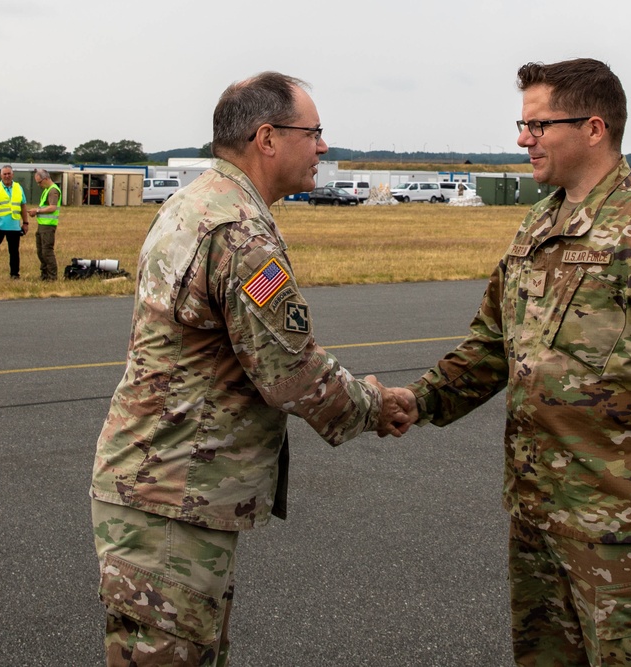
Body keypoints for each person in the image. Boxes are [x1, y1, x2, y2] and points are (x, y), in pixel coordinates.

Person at [392, 58, 631, 666]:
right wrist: (418, 400)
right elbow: (492, 346)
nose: (524, 139)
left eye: (539, 125)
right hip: (540, 516)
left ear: (594, 128)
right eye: (522, 125)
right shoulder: (540, 224)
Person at [90, 71, 409, 667]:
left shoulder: (197, 202)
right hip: (173, 500)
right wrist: (375, 405)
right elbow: (292, 372)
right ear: (267, 137)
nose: (323, 147)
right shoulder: (239, 234)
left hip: (161, 489)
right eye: (313, 132)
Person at [0, 165, 29, 279]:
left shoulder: (18, 188)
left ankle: (14, 274)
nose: (7, 176)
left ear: (13, 175)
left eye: (9, 174)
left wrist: (25, 223)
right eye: (5, 174)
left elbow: (23, 206)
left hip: (14, 226)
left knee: (14, 252)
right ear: (1, 175)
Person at [28, 168, 61, 280]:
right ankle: (44, 275)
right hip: (42, 225)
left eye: (40, 182)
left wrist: (37, 211)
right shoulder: (47, 190)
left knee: (47, 252)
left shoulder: (53, 190)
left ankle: (52, 277)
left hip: (48, 225)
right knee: (41, 252)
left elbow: (52, 207)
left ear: (46, 179)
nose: (39, 185)